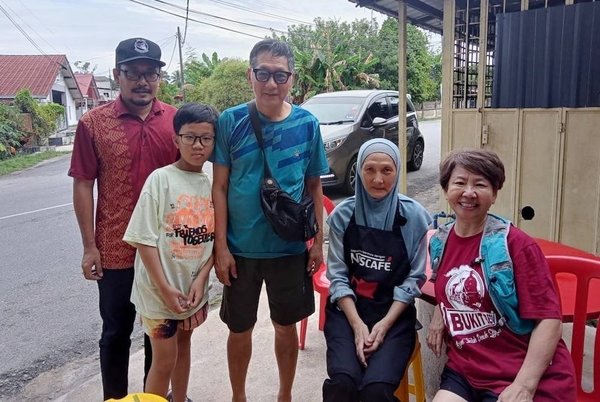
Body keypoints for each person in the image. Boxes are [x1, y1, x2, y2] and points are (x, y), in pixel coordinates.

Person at [212, 38, 329, 402]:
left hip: (289, 249)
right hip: (240, 251)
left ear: (292, 78)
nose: (271, 83)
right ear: (250, 75)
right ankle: (239, 396)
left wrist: (318, 244)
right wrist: (221, 248)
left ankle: (284, 395)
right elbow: (219, 188)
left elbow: (314, 188)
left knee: (285, 328)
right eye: (263, 73)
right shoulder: (230, 121)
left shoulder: (308, 124)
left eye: (280, 75)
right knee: (239, 330)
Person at [69, 37, 178, 400]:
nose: (142, 81)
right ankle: (114, 397)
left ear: (159, 77)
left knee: (159, 330)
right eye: (133, 72)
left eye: (150, 73)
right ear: (117, 74)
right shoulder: (93, 124)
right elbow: (84, 185)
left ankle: (154, 396)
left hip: (165, 249)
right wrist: (89, 247)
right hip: (116, 248)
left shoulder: (176, 122)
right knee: (116, 330)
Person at [426, 149, 576, 402]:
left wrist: (524, 387)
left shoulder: (515, 245)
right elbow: (450, 280)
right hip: (467, 370)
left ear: (494, 194)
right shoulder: (440, 240)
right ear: (446, 189)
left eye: (480, 184)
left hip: (519, 372)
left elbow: (549, 320)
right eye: (460, 183)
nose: (468, 193)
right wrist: (439, 315)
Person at [322, 138, 431, 402]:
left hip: (394, 315)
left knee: (376, 391)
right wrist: (357, 325)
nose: (378, 179)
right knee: (343, 383)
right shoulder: (343, 215)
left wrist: (384, 325)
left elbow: (414, 279)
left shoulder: (414, 217)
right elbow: (337, 277)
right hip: (347, 313)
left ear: (397, 172)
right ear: (358, 171)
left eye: (387, 170)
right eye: (369, 169)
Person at [123, 103, 217, 402]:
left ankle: (180, 398)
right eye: (189, 137)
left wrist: (202, 278)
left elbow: (219, 240)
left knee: (185, 347)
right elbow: (143, 239)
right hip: (158, 292)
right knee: (163, 359)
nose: (197, 145)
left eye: (206, 138)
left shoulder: (215, 181)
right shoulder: (160, 180)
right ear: (176, 139)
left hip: (192, 291)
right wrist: (164, 288)